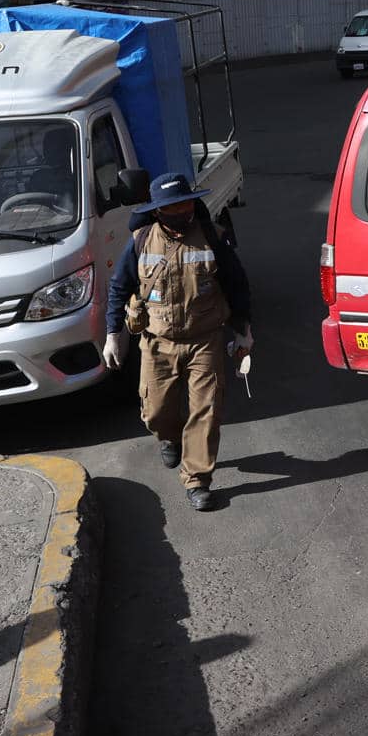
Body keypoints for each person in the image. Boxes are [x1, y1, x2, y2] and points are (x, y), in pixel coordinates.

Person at [102, 173, 252, 510]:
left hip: (205, 340)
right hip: (157, 342)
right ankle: (169, 437)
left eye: (185, 204)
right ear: (157, 211)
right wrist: (113, 336)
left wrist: (244, 330)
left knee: (206, 411)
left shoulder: (212, 237)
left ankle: (197, 480)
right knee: (156, 412)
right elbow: (119, 287)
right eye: (171, 207)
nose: (180, 212)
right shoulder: (141, 241)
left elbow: (237, 284)